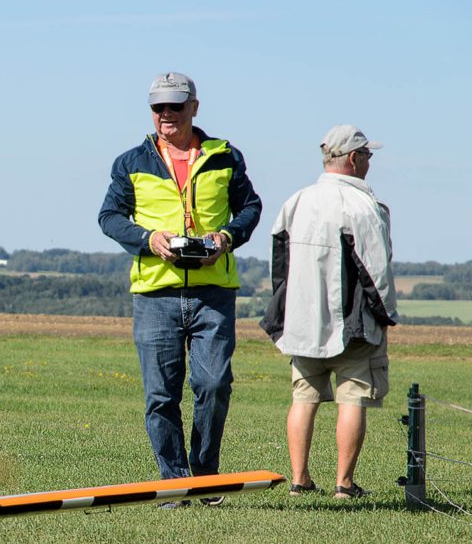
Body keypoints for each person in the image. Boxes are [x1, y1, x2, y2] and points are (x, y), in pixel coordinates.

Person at [98, 72, 262, 508]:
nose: (166, 114)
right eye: (158, 107)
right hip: (155, 293)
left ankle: (205, 477)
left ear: (194, 106)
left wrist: (225, 238)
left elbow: (250, 208)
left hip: (214, 292)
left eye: (175, 105)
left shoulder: (225, 156)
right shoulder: (130, 161)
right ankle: (174, 483)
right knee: (160, 395)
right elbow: (109, 217)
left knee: (213, 385)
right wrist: (148, 239)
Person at [260, 125, 397, 499]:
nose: (369, 162)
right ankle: (344, 483)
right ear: (353, 159)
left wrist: (285, 311)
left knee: (303, 398)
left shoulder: (296, 200)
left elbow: (280, 264)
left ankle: (299, 479)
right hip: (351, 324)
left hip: (302, 322)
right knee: (352, 398)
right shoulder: (362, 205)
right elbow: (376, 269)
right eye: (367, 156)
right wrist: (385, 316)